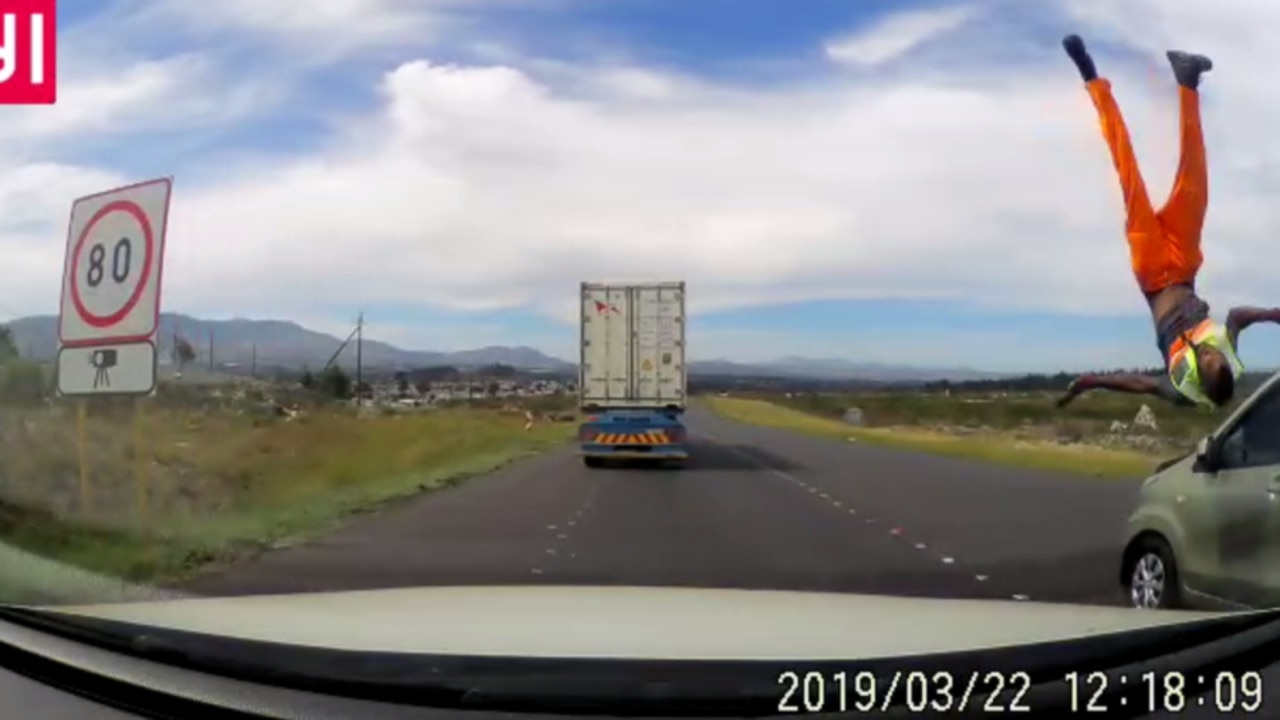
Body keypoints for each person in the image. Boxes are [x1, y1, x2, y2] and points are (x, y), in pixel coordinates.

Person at [1055, 34, 1280, 410]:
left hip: (1154, 276)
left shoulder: (1180, 389)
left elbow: (1139, 384)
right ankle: (1187, 80)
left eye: (1207, 360)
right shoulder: (1227, 359)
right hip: (1185, 263)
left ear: (1200, 377)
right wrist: (1273, 315)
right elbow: (1238, 318)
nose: (1212, 352)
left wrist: (1092, 382)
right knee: (1196, 185)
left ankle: (1091, 78)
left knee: (1128, 173)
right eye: (1217, 357)